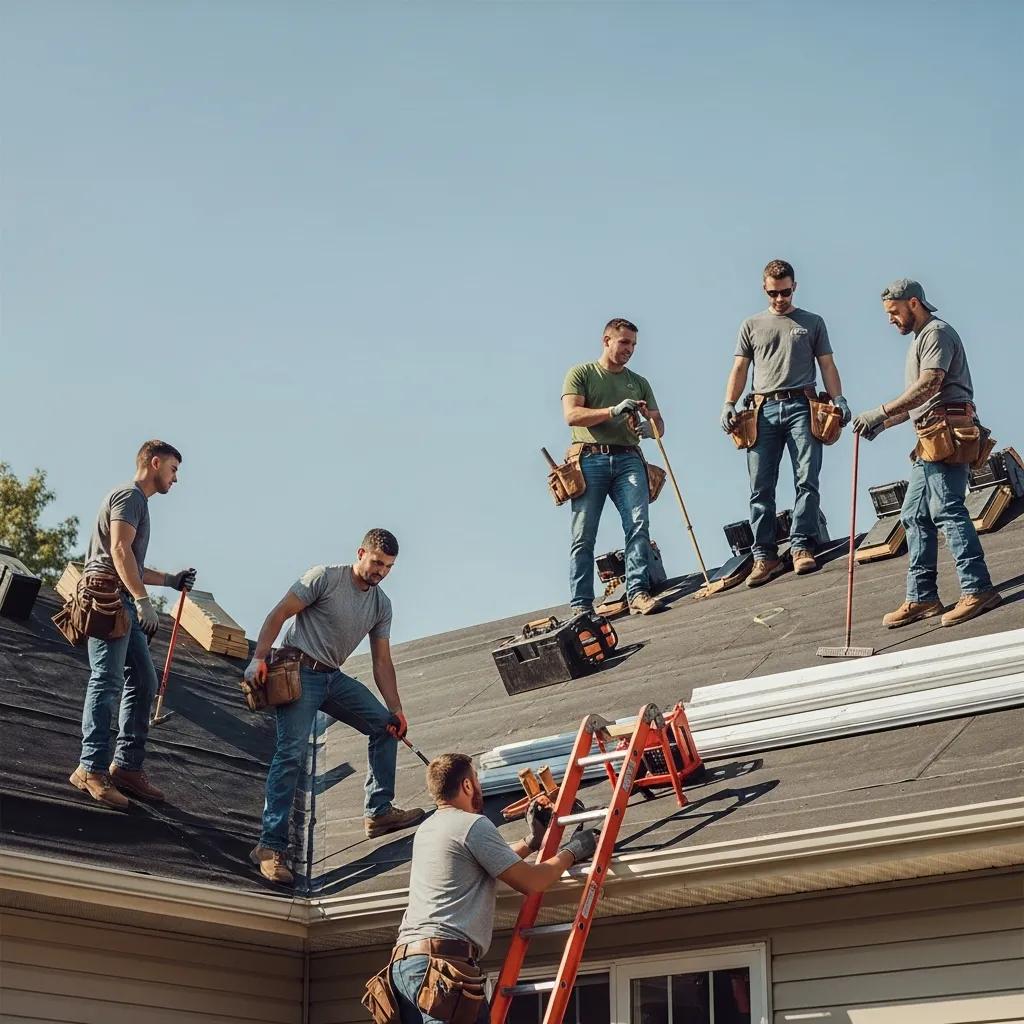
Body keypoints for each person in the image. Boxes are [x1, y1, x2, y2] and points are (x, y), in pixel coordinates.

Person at [244, 528, 425, 885]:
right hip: (298, 671)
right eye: (376, 563)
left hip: (333, 677)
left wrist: (397, 709)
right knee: (291, 755)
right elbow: (280, 612)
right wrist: (259, 658)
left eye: (388, 567)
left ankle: (379, 811)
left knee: (385, 726)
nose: (381, 572)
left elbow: (382, 662)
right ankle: (270, 846)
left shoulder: (380, 604)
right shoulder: (324, 578)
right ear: (361, 553)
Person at [388, 753, 598, 1024]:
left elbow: (484, 860)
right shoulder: (472, 824)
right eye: (476, 779)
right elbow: (532, 882)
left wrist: (532, 842)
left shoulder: (428, 830)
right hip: (441, 969)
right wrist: (574, 850)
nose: (480, 786)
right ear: (466, 786)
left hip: (404, 969)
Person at [853, 279, 1001, 628]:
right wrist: (883, 424)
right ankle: (922, 596)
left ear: (913, 303)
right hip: (931, 438)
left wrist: (881, 411)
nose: (891, 320)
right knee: (914, 515)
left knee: (947, 510)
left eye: (894, 312)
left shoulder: (936, 333)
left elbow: (931, 384)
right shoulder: (921, 339)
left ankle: (978, 588)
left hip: (947, 434)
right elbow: (919, 402)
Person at [70, 439, 196, 810]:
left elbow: (132, 564)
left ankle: (126, 766)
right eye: (173, 469)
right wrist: (142, 601)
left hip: (121, 597)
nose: (176, 479)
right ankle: (90, 768)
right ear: (154, 463)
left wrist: (170, 580)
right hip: (110, 598)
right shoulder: (130, 496)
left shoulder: (135, 501)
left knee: (143, 680)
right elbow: (120, 552)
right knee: (106, 680)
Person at [721, 258, 851, 583]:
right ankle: (764, 556)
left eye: (786, 293)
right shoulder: (751, 325)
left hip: (802, 406)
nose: (780, 299)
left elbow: (828, 366)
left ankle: (800, 546)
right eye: (774, 293)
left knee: (807, 479)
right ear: (765, 289)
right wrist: (728, 403)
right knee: (760, 486)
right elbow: (740, 369)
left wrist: (838, 399)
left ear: (795, 287)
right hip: (762, 410)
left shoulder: (812, 322)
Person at [562, 317, 666, 616]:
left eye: (633, 344)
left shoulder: (639, 382)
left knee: (638, 523)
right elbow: (572, 415)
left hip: (628, 458)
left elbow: (659, 421)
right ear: (606, 340)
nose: (629, 349)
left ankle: (638, 592)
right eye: (624, 342)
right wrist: (613, 411)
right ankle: (582, 606)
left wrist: (651, 426)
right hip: (590, 458)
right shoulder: (582, 373)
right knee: (584, 533)